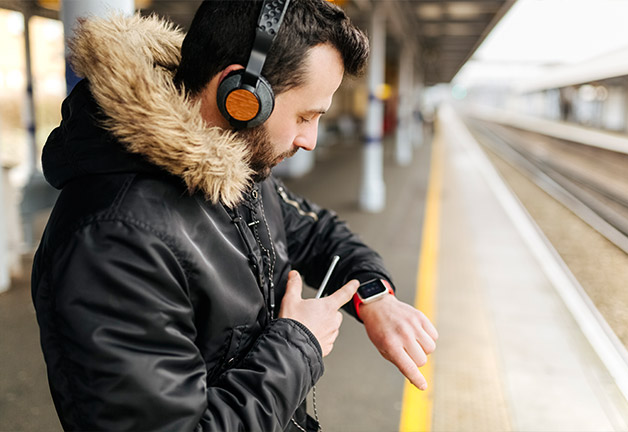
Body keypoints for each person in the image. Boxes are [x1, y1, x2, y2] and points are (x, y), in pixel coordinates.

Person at [31, 1, 438, 431]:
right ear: (241, 96)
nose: (310, 140)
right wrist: (300, 345)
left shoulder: (237, 163)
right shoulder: (114, 239)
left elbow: (316, 231)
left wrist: (374, 297)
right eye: (304, 116)